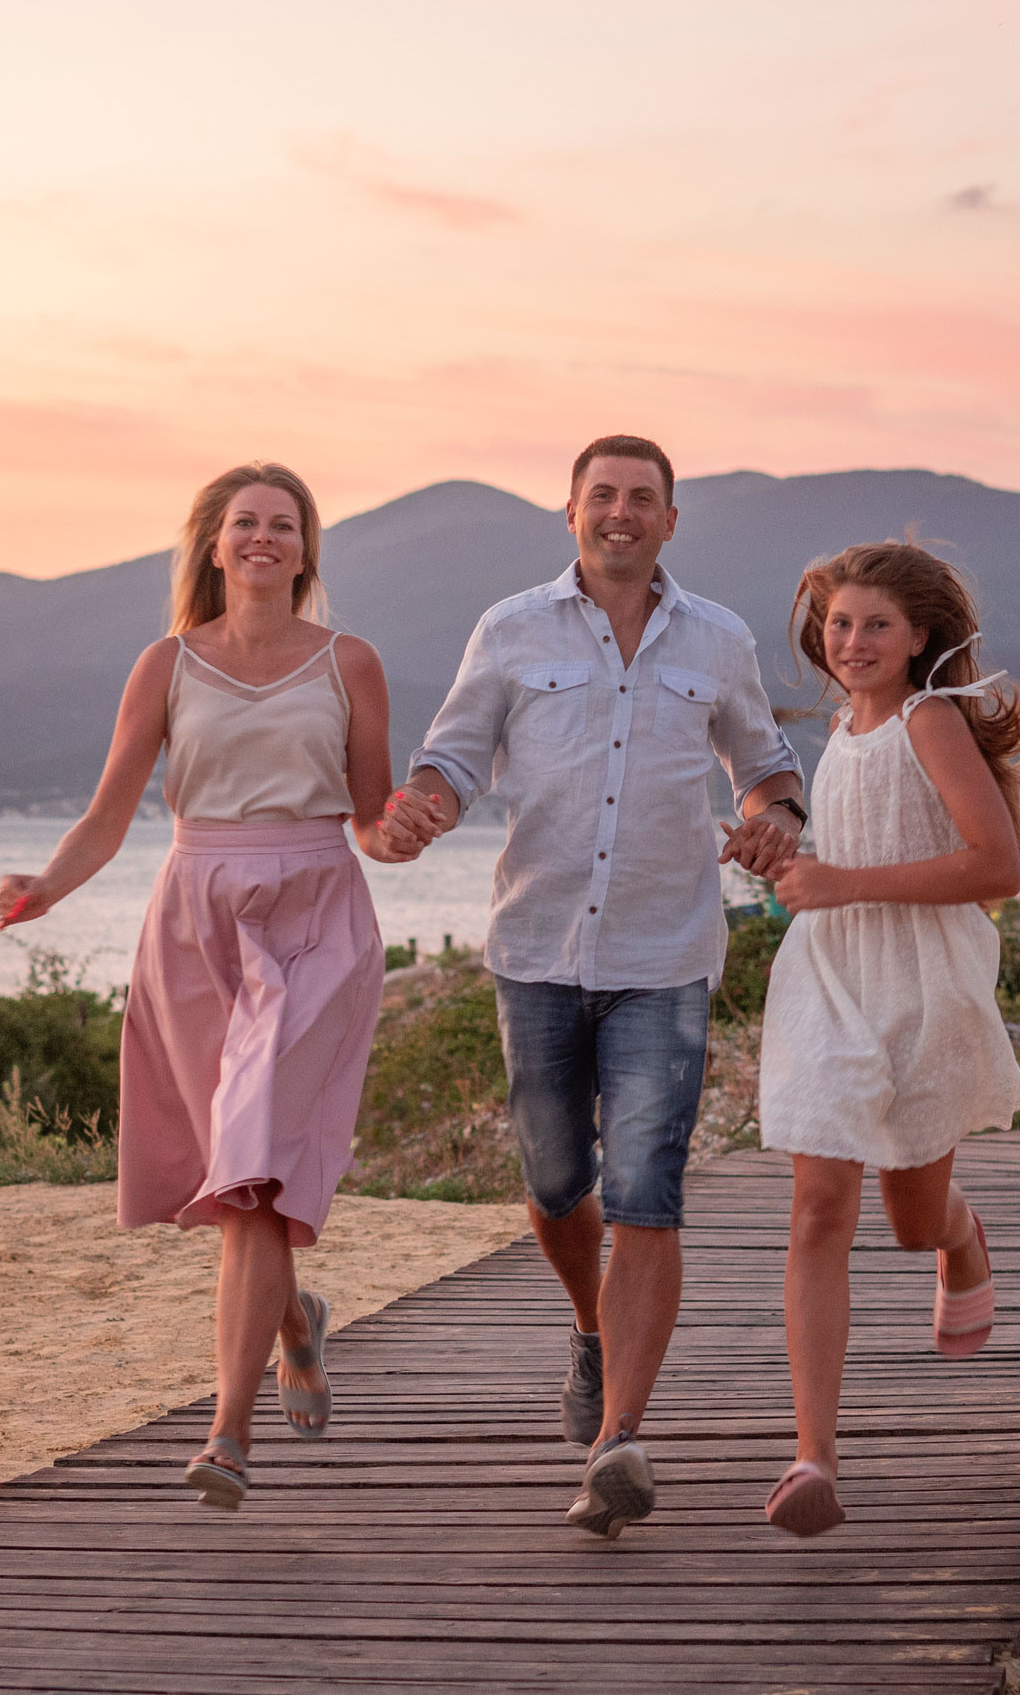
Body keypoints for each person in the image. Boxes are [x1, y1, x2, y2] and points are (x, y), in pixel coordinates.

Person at [0, 462, 440, 1511]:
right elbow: (109, 814)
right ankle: (295, 1322)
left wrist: (401, 832)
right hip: (195, 924)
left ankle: (228, 1432)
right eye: (244, 523)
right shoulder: (166, 664)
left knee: (254, 1175)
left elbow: (373, 817)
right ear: (210, 543)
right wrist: (48, 886)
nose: (263, 539)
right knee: (241, 1177)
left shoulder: (350, 662)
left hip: (315, 920)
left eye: (283, 525)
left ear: (305, 548)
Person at [396, 434, 805, 1538]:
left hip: (665, 958)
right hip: (533, 948)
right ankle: (591, 1327)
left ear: (671, 520)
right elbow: (456, 753)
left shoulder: (716, 639)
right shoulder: (510, 628)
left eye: (642, 499)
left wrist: (772, 824)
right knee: (552, 1185)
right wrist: (422, 807)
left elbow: (765, 766)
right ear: (568, 512)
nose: (620, 513)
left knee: (646, 1193)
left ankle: (617, 1437)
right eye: (602, 497)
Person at [749, 539, 1020, 1537]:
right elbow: (843, 852)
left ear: (920, 636)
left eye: (876, 623)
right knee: (816, 1206)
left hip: (921, 984)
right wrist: (787, 859)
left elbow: (993, 865)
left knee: (910, 1218)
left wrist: (840, 882)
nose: (853, 640)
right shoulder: (838, 727)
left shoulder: (929, 722)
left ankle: (959, 1239)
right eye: (838, 623)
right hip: (828, 978)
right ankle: (811, 1459)